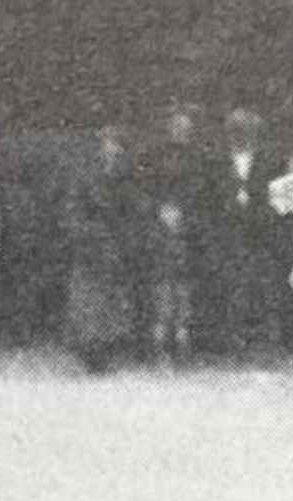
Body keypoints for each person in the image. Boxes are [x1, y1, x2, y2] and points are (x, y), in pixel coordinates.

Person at [60, 127, 143, 373]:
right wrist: (86, 232)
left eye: (117, 145)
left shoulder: (125, 176)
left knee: (112, 299)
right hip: (90, 244)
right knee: (87, 299)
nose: (112, 149)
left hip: (115, 244)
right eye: (108, 143)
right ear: (100, 147)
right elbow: (73, 209)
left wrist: (127, 235)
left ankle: (106, 349)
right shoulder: (85, 174)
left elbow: (132, 209)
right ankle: (89, 350)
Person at [207, 107, 287, 356]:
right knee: (233, 289)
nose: (242, 135)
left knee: (266, 287)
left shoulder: (270, 162)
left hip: (261, 234)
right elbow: (211, 199)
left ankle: (270, 342)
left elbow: (278, 195)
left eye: (248, 130)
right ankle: (234, 343)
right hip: (230, 236)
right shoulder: (217, 163)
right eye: (236, 130)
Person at [138, 106, 211, 366]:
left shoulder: (199, 159)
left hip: (189, 230)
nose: (181, 131)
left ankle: (184, 346)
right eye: (177, 127)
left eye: (186, 128)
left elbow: (203, 192)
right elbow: (145, 189)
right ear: (168, 128)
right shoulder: (154, 157)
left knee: (185, 289)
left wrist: (186, 214)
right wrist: (159, 210)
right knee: (161, 288)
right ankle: (159, 348)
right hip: (160, 229)